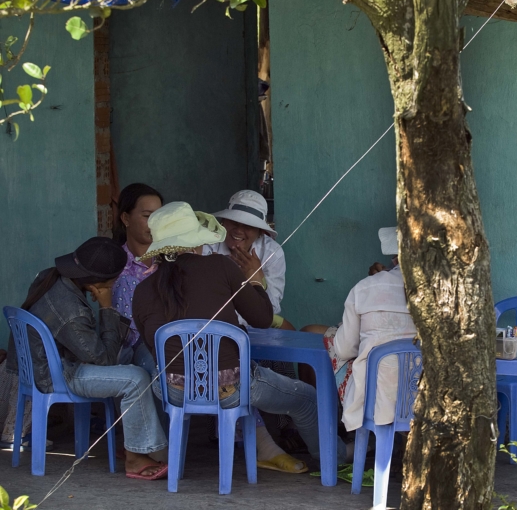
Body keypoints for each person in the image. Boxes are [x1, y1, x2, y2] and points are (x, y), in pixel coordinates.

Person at [132, 202, 351, 473]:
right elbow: (262, 319)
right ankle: (335, 459)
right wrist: (256, 280)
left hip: (173, 391)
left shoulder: (142, 290)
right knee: (306, 398)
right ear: (196, 241)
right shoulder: (220, 266)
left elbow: (154, 346)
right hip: (233, 389)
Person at [5, 237, 169, 480]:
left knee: (132, 371)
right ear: (97, 284)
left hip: (47, 366)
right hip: (60, 374)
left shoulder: (49, 277)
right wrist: (107, 307)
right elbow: (105, 359)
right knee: (136, 378)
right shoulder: (71, 312)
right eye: (113, 281)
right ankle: (135, 458)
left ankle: (137, 446)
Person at [302, 227, 417, 432]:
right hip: (428, 402)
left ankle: (339, 431)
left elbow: (345, 349)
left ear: (395, 257)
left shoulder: (366, 287)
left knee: (339, 345)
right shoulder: (449, 292)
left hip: (376, 405)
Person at [204, 190, 293, 330]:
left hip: (254, 328)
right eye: (234, 222)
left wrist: (258, 279)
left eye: (248, 226)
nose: (238, 231)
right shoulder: (207, 244)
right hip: (211, 325)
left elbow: (272, 308)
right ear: (223, 223)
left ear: (260, 232)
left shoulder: (272, 253)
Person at [111, 183, 164, 367]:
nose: (155, 224)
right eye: (147, 216)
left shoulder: (169, 261)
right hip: (132, 350)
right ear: (126, 218)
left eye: (159, 217)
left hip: (172, 341)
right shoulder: (115, 265)